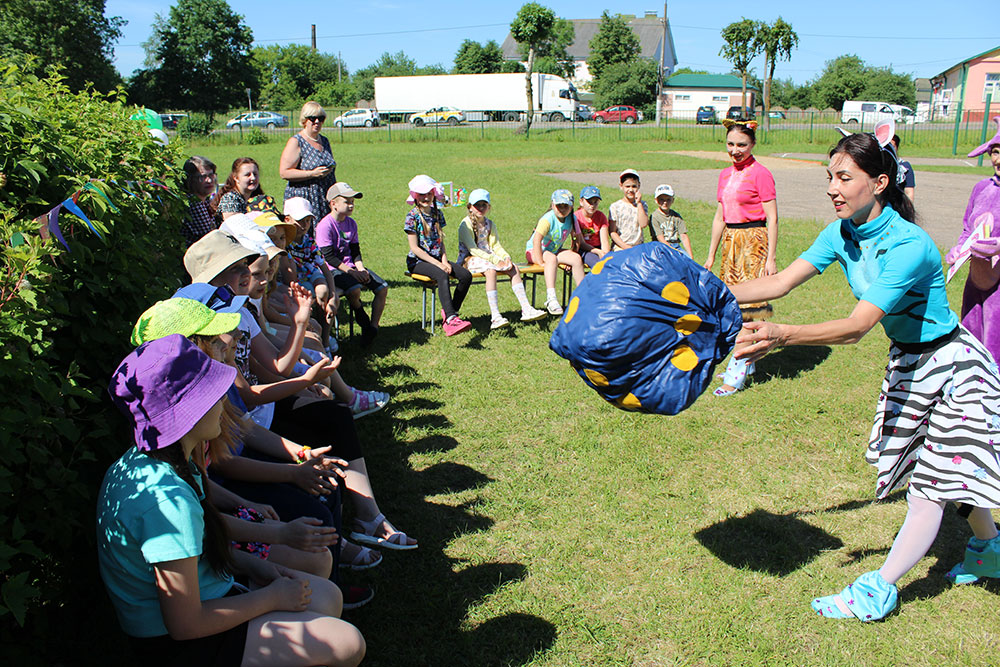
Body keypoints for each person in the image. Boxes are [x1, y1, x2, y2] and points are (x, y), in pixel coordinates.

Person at [728, 128, 1000, 622]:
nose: (833, 187)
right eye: (829, 177)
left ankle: (878, 589)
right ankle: (991, 549)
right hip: (911, 365)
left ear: (879, 182)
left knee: (930, 487)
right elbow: (781, 282)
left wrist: (783, 335)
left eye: (844, 178)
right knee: (942, 471)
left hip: (954, 368)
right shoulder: (840, 232)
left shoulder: (910, 246)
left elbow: (856, 327)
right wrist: (707, 292)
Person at [98, 334, 365, 666]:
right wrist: (270, 598)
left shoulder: (158, 461)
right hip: (179, 645)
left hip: (209, 592)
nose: (224, 402)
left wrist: (252, 564)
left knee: (326, 596)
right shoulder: (167, 502)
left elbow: (202, 539)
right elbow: (185, 625)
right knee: (347, 643)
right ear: (186, 415)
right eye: (212, 395)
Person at [704, 120, 779, 396]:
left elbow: (772, 217)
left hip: (754, 242)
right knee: (732, 306)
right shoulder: (725, 175)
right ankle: (747, 362)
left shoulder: (761, 174)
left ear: (753, 145)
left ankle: (735, 376)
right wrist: (711, 254)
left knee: (751, 309)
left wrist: (770, 257)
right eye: (731, 144)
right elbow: (720, 216)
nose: (735, 150)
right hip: (731, 244)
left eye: (742, 145)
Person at [944, 117, 1000, 364]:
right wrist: (959, 249)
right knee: (971, 335)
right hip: (976, 279)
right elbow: (968, 227)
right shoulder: (981, 187)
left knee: (995, 340)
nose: (997, 159)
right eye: (995, 152)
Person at [457, 188, 546, 329]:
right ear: (470, 207)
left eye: (484, 205)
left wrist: (505, 257)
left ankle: (526, 308)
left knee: (513, 268)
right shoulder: (465, 224)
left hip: (488, 258)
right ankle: (495, 316)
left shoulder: (490, 224)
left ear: (488, 207)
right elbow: (473, 249)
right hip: (469, 260)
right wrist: (494, 260)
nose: (480, 208)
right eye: (477, 205)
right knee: (491, 271)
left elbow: (496, 245)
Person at [315, 182, 389, 346]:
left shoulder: (351, 223)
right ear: (333, 204)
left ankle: (373, 328)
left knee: (382, 288)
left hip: (352, 267)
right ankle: (361, 316)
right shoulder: (324, 226)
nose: (351, 205)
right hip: (333, 270)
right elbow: (329, 258)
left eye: (352, 202)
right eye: (347, 201)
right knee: (354, 290)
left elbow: (355, 250)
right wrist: (352, 272)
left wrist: (361, 269)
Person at [404, 174, 473, 336]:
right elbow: (415, 248)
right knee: (441, 274)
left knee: (466, 275)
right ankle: (450, 320)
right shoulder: (412, 217)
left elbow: (440, 240)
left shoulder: (437, 214)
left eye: (429, 193)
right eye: (421, 194)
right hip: (417, 262)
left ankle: (450, 311)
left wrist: (444, 260)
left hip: (436, 259)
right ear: (415, 196)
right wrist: (439, 265)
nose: (426, 197)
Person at [282, 197, 339, 352]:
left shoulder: (308, 241)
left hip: (310, 272)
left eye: (308, 221)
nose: (304, 225)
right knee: (310, 295)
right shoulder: (284, 243)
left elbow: (324, 268)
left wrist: (333, 296)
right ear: (287, 219)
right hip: (296, 280)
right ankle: (317, 337)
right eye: (300, 221)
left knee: (323, 291)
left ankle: (325, 339)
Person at [525, 189, 586, 316]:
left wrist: (570, 255)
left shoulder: (572, 218)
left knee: (576, 258)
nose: (562, 209)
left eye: (566, 206)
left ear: (572, 206)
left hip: (553, 250)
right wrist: (541, 262)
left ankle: (584, 296)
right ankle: (551, 299)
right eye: (559, 206)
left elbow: (577, 239)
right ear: (553, 205)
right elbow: (536, 241)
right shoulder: (547, 219)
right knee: (551, 259)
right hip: (535, 251)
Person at [280, 101, 337, 225]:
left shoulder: (324, 141)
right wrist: (312, 173)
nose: (317, 122)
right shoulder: (296, 141)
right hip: (304, 198)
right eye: (313, 118)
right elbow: (284, 172)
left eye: (320, 118)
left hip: (323, 196)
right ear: (304, 120)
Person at [181, 156, 218, 245]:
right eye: (202, 177)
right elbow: (210, 236)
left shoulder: (204, 201)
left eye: (211, 175)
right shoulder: (194, 203)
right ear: (190, 180)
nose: (209, 180)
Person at [608, 169, 649, 250]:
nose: (630, 190)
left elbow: (643, 224)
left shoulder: (643, 205)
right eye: (627, 186)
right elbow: (612, 232)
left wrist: (639, 203)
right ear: (621, 186)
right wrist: (625, 247)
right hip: (620, 246)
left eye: (634, 186)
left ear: (639, 186)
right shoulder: (615, 206)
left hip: (638, 246)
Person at [649, 184, 693, 258]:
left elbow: (684, 236)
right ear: (656, 200)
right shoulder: (654, 217)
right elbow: (660, 237)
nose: (665, 202)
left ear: (673, 200)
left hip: (675, 245)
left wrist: (690, 256)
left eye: (668, 199)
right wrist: (672, 251)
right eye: (661, 199)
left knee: (687, 260)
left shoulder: (676, 216)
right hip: (660, 246)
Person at [574, 185, 610, 268]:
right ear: (581, 202)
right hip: (583, 249)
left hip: (599, 247)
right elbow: (581, 243)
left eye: (595, 202)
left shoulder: (601, 216)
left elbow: (605, 241)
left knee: (610, 263)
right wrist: (598, 252)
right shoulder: (576, 217)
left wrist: (605, 254)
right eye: (589, 202)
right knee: (598, 264)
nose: (592, 205)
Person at [891, 134, 915, 202]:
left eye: (892, 146)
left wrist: (909, 210)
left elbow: (909, 192)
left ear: (897, 148)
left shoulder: (905, 167)